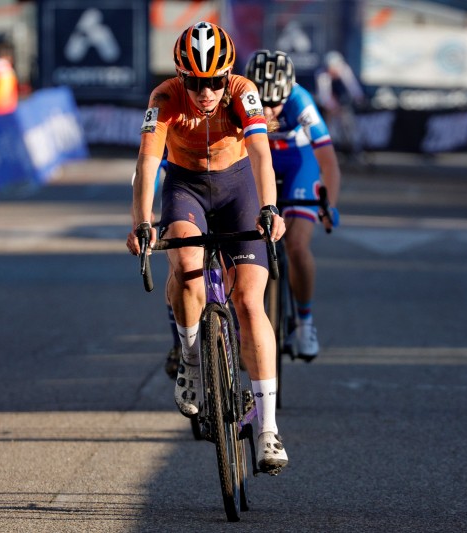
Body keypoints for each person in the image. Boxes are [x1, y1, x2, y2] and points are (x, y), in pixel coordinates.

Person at [126, 21, 288, 473]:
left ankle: (268, 430)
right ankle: (193, 360)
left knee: (249, 303)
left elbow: (259, 152)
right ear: (182, 78)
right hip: (186, 188)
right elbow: (147, 163)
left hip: (238, 189)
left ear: (226, 75)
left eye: (214, 81)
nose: (206, 91)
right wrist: (141, 222)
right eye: (195, 82)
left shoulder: (242, 90)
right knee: (184, 258)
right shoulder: (163, 99)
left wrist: (270, 208)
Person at [244, 49, 340, 360]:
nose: (269, 111)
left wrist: (330, 205)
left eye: (276, 103)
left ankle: (304, 323)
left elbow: (328, 162)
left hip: (298, 161)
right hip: (258, 158)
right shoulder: (241, 95)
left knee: (297, 245)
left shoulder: (301, 101)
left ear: (289, 92)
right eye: (263, 103)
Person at [315, 50, 364, 156]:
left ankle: (354, 150)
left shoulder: (345, 70)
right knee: (330, 127)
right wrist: (333, 107)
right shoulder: (322, 74)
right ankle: (331, 150)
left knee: (349, 125)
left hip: (345, 104)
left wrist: (359, 99)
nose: (333, 70)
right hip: (330, 108)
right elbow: (323, 95)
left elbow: (353, 88)